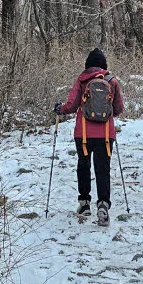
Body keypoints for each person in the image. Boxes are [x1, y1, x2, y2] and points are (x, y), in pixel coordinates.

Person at [54, 48, 123, 225]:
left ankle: (84, 204)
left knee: (83, 166)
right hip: (106, 135)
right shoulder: (112, 81)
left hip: (83, 134)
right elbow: (118, 109)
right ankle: (103, 206)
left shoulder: (82, 80)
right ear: (104, 65)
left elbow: (71, 105)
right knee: (103, 169)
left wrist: (59, 109)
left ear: (87, 65)